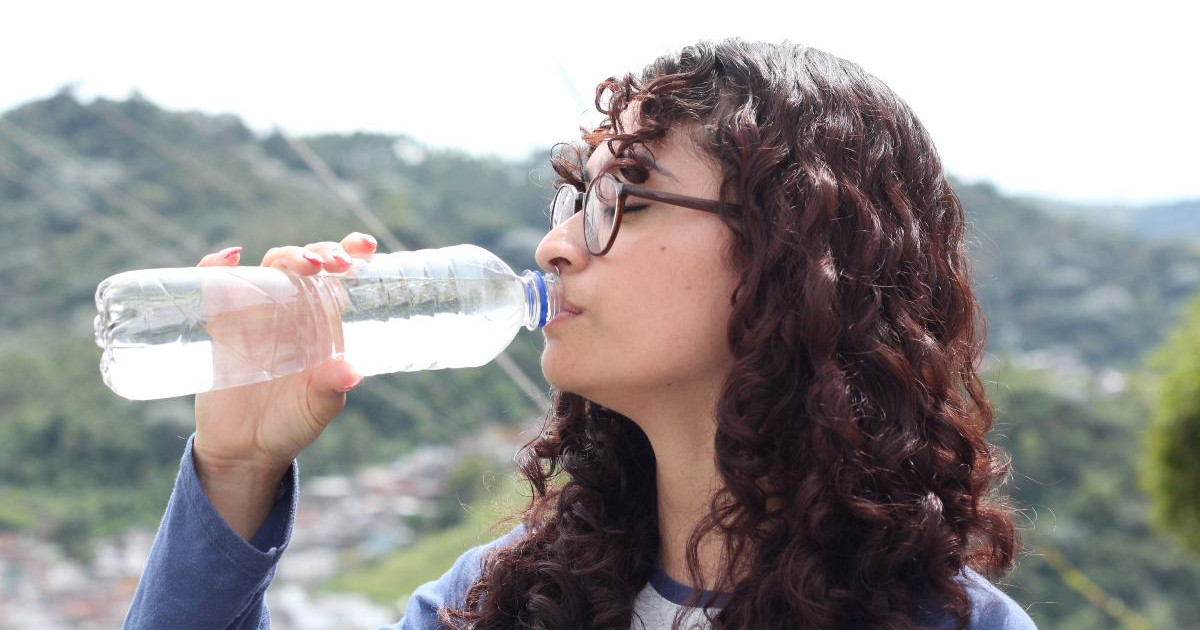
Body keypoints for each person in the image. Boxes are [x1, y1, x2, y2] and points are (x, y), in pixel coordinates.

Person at [123, 39, 1037, 629]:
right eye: (572, 201)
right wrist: (236, 470)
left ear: (797, 252)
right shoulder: (497, 603)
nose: (555, 246)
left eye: (620, 203)